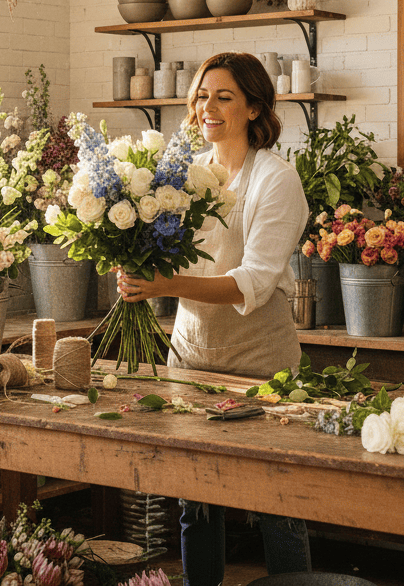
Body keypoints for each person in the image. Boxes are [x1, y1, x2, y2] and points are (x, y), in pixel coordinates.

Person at [115, 51, 311, 586]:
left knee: (277, 502)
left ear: (253, 107)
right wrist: (135, 268)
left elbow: (255, 279)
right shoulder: (183, 176)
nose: (209, 106)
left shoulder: (275, 180)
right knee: (195, 501)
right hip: (190, 355)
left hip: (259, 363)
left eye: (224, 96)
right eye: (202, 95)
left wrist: (161, 285)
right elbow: (160, 255)